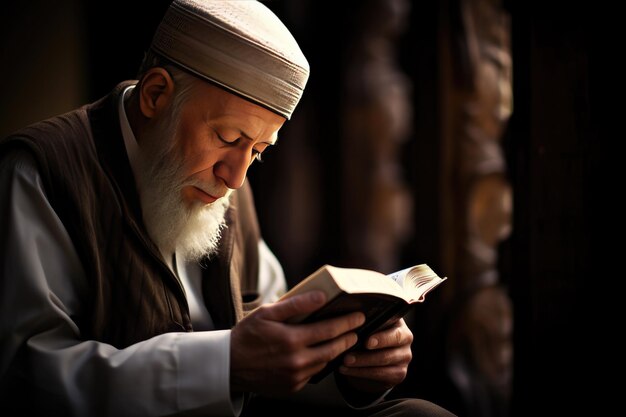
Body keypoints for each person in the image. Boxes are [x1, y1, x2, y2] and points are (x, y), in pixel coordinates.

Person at [0, 1, 456, 416]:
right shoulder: (42, 171)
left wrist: (350, 366)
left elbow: (271, 333)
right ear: (156, 95)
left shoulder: (227, 185)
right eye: (229, 139)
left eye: (258, 150)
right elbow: (28, 379)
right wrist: (225, 364)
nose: (236, 177)